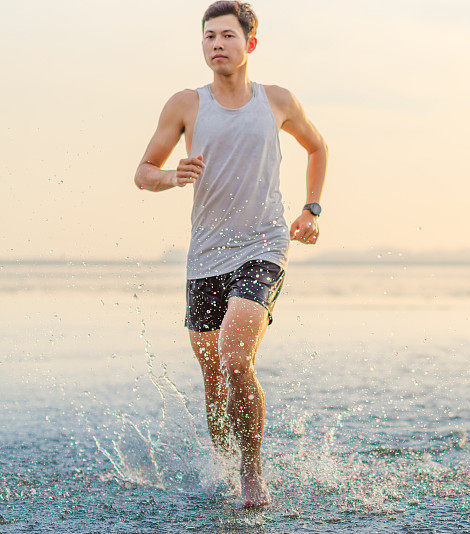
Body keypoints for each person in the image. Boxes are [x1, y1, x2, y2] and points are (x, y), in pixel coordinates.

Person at [133, 0, 328, 508]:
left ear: (250, 44)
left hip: (264, 245)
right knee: (213, 376)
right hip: (206, 258)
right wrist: (172, 176)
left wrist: (311, 210)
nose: (217, 44)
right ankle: (222, 462)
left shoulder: (277, 100)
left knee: (235, 357)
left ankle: (251, 473)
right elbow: (143, 172)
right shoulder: (185, 104)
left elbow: (318, 147)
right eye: (208, 37)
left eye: (227, 36)